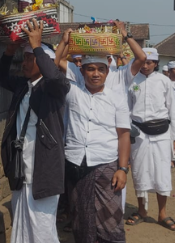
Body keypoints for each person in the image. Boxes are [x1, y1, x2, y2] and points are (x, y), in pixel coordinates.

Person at [0, 19, 69, 243]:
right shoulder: (22, 85)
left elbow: (55, 77)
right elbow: (1, 75)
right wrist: (10, 50)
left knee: (42, 227)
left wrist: (37, 46)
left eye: (31, 59)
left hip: (44, 170)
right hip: (21, 168)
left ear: (42, 61)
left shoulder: (54, 88)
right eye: (25, 58)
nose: (25, 63)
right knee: (23, 224)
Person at [63, 55, 131, 242]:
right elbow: (54, 67)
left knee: (110, 219)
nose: (96, 74)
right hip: (75, 163)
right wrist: (65, 42)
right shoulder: (72, 91)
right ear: (82, 71)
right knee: (80, 217)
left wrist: (122, 169)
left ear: (107, 72)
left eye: (101, 69)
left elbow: (124, 134)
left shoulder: (117, 98)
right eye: (90, 69)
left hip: (106, 165)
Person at [124, 48, 175, 232]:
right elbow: (126, 109)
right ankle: (141, 210)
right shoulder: (132, 80)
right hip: (139, 134)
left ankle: (162, 213)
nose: (146, 65)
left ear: (156, 64)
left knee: (162, 173)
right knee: (140, 172)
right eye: (143, 62)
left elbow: (172, 110)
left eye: (150, 62)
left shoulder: (164, 81)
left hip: (161, 133)